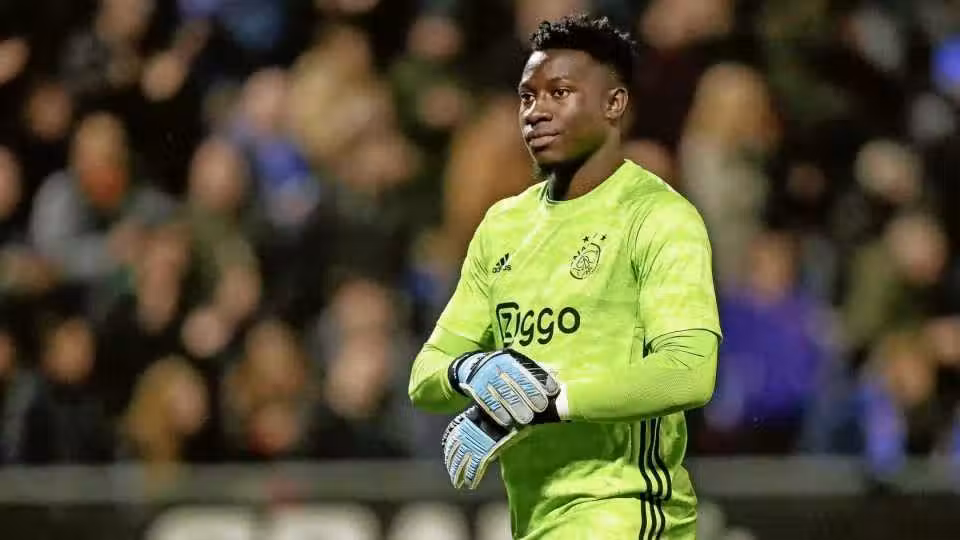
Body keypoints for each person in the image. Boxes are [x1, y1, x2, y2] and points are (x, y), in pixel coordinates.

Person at [408, 14, 722, 540]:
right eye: (527, 97)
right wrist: (472, 370)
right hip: (537, 521)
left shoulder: (658, 217)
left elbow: (689, 371)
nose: (536, 111)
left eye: (560, 93)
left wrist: (552, 401)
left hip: (626, 512)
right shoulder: (503, 227)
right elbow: (425, 375)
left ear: (613, 104)